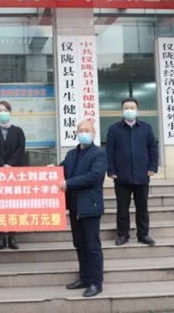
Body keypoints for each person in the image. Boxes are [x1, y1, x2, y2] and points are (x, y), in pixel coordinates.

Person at [59, 120, 107, 298]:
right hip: (75, 207)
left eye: (87, 130)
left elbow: (93, 176)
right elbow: (62, 170)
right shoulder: (72, 154)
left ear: (94, 133)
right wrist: (51, 170)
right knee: (79, 244)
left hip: (90, 206)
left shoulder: (99, 154)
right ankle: (85, 278)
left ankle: (96, 282)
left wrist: (68, 183)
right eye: (80, 130)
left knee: (92, 245)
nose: (83, 133)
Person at [106, 98, 159, 247]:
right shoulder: (114, 129)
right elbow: (109, 152)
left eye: (132, 107)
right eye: (126, 108)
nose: (129, 110)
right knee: (122, 208)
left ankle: (143, 234)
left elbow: (153, 149)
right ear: (122, 110)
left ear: (137, 110)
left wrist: (152, 167)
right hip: (121, 176)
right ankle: (123, 235)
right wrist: (111, 170)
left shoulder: (146, 128)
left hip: (142, 175)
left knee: (142, 207)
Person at [0, 100, 27, 250]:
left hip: (15, 174)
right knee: (0, 206)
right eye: (0, 110)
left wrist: (10, 165)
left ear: (10, 112)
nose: (3, 113)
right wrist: (2, 165)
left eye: (5, 110)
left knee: (13, 205)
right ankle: (1, 236)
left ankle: (12, 236)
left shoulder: (18, 131)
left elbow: (21, 149)